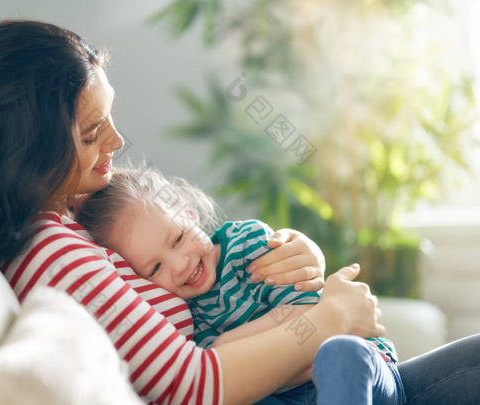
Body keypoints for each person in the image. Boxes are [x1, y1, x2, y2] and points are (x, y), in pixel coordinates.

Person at [0, 19, 479, 404]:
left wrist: (299, 254)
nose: (117, 143)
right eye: (94, 132)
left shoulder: (78, 209)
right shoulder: (51, 250)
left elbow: (223, 249)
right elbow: (193, 383)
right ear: (34, 148)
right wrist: (328, 321)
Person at [75, 165, 404, 404]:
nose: (180, 265)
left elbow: (308, 314)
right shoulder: (181, 313)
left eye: (177, 238)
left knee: (339, 352)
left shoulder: (247, 245)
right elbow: (228, 383)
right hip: (291, 396)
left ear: (189, 214)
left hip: (364, 380)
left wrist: (225, 345)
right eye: (155, 268)